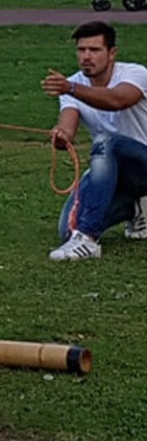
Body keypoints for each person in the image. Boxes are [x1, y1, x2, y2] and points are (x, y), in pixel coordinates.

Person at [42, 21, 147, 261]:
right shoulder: (73, 85)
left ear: (112, 53)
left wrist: (70, 88)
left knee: (106, 142)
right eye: (81, 50)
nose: (87, 56)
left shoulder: (135, 74)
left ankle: (88, 239)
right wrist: (60, 137)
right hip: (109, 171)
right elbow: (67, 124)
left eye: (95, 50)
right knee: (67, 230)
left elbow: (118, 100)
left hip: (142, 161)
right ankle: (136, 208)